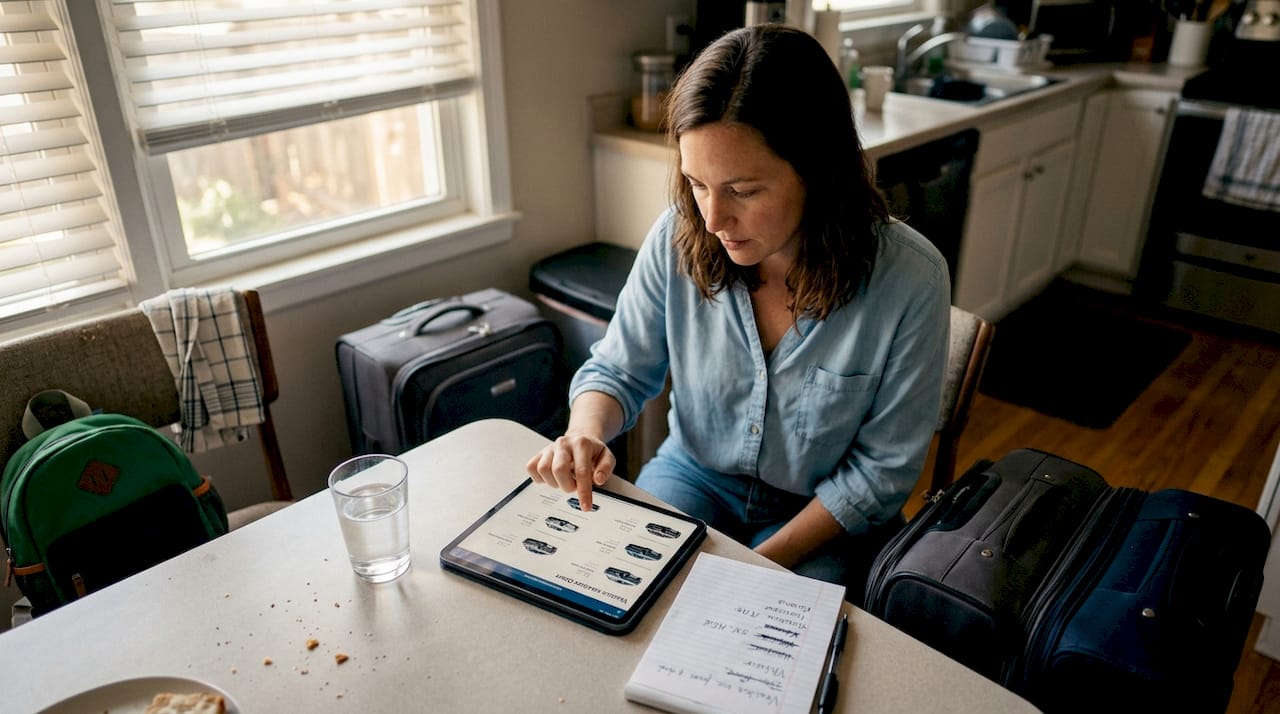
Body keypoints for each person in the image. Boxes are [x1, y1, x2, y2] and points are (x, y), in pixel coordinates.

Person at [526, 24, 949, 600]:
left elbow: (880, 474)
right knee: (612, 593)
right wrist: (584, 432)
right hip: (694, 473)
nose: (712, 219)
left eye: (744, 191)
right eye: (697, 184)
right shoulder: (677, 236)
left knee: (769, 626)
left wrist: (747, 567)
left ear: (818, 171)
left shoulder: (911, 279)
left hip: (821, 512)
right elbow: (619, 368)